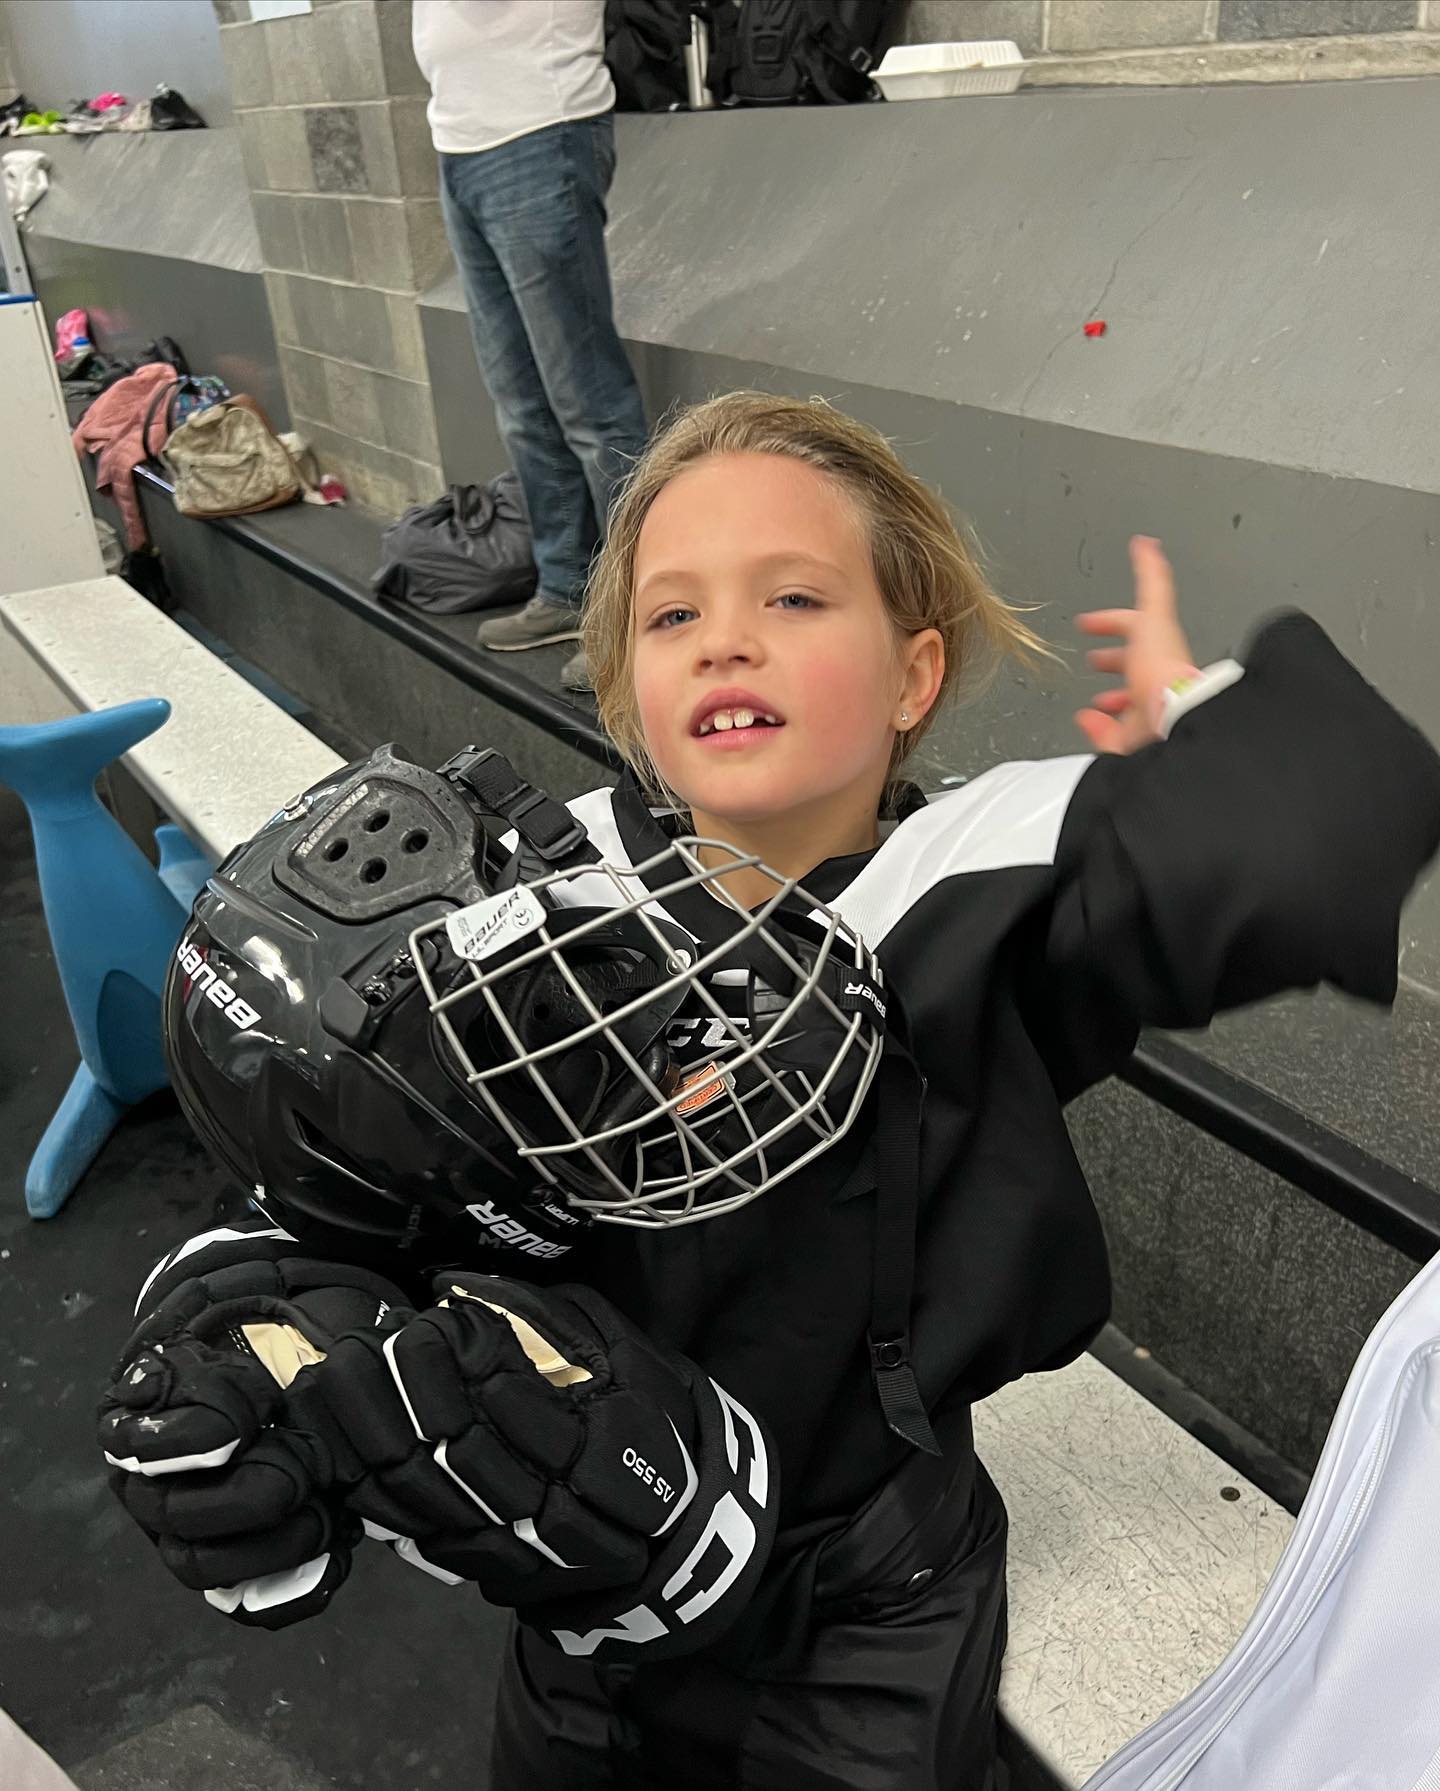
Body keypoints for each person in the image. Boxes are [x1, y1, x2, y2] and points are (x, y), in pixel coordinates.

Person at [100, 392, 1440, 1790]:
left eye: (794, 596)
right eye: (670, 617)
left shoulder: (993, 875)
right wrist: (240, 1337)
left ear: (915, 676)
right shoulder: (546, 891)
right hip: (592, 1576)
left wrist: (1209, 734)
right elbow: (368, 1184)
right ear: (626, 685)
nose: (725, 637)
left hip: (864, 1601)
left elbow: (1350, 816)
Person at [413, 0, 650, 694]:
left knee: (591, 404)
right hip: (460, 145)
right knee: (520, 399)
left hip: (541, 134)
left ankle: (641, 618)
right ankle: (566, 587)